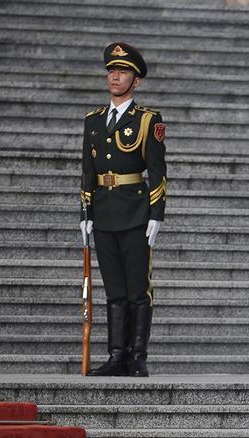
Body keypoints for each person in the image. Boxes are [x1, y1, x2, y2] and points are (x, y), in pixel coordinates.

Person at [80, 42, 167, 377]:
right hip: (103, 211)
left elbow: (158, 171)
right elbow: (87, 170)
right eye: (112, 71)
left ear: (136, 81)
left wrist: (156, 213)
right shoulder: (93, 121)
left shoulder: (148, 121)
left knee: (137, 288)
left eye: (123, 72)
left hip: (135, 211)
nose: (115, 77)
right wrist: (86, 212)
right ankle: (117, 355)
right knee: (114, 289)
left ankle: (138, 356)